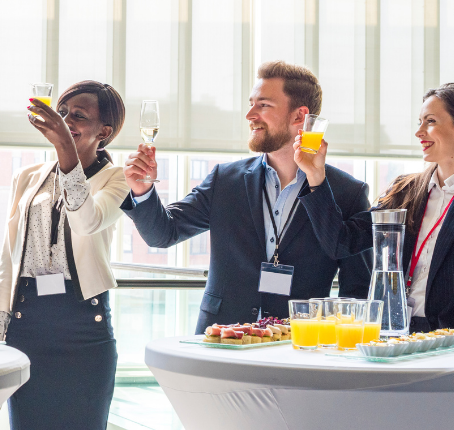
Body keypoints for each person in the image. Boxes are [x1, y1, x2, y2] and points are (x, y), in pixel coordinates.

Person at [122, 61, 372, 332]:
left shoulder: (348, 193)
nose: (249, 115)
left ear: (299, 116)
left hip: (298, 344)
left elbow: (357, 292)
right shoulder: (225, 180)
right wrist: (142, 190)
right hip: (221, 338)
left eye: (263, 105)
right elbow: (163, 233)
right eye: (251, 104)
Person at [0, 81, 128, 430]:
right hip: (27, 325)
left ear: (104, 131)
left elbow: (86, 222)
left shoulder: (117, 179)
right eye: (62, 112)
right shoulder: (27, 176)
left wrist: (66, 149)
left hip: (83, 328)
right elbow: (9, 257)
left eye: (78, 116)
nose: (66, 121)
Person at [296, 83, 454, 332]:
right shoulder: (406, 191)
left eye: (430, 121)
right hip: (398, 332)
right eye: (419, 122)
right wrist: (315, 175)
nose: (419, 132)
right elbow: (341, 242)